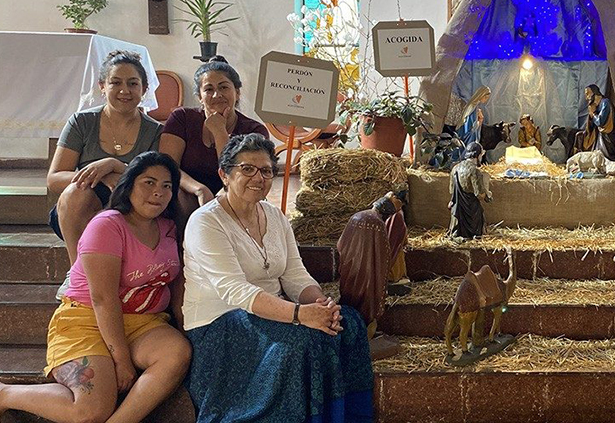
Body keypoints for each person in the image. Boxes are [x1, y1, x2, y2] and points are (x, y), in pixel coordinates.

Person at [0, 152, 191, 423]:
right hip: (86, 319)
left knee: (176, 353)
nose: (158, 192)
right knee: (91, 411)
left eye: (166, 186)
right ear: (130, 185)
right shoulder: (107, 225)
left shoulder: (169, 227)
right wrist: (122, 359)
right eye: (148, 182)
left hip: (143, 322)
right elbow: (102, 298)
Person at [182, 134, 373, 422]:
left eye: (267, 170)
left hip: (272, 314)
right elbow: (235, 291)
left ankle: (340, 417)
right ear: (225, 174)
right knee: (299, 343)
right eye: (247, 169)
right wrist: (300, 315)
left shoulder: (274, 215)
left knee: (348, 323)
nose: (258, 177)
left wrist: (320, 306)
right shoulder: (206, 221)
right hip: (220, 324)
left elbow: (295, 274)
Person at [48, 51, 163, 296]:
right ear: (102, 86)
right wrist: (99, 173)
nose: (125, 90)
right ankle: (78, 272)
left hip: (131, 204)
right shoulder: (82, 122)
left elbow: (156, 178)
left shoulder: (155, 131)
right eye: (115, 83)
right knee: (74, 194)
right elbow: (55, 178)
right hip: (82, 209)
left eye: (133, 83)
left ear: (143, 89)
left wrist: (116, 166)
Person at [159, 56, 268, 220]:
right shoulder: (182, 118)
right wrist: (199, 189)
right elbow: (168, 166)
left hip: (234, 195)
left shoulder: (254, 130)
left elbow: (235, 176)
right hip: (188, 192)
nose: (217, 95)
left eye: (224, 87)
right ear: (200, 97)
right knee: (175, 194)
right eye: (209, 89)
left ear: (237, 93)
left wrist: (219, 132)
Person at [338, 195, 392, 338]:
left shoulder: (357, 216)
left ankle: (351, 330)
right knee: (367, 302)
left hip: (350, 267)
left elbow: (341, 244)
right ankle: (363, 335)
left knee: (350, 296)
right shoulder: (378, 224)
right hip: (369, 273)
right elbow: (383, 252)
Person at [448, 142, 492, 240]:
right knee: (479, 217)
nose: (481, 158)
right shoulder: (475, 171)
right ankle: (474, 235)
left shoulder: (455, 168)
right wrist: (488, 195)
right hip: (471, 209)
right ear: (477, 155)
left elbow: (451, 190)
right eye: (481, 155)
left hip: (458, 208)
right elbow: (479, 194)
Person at [581, 84, 615, 165]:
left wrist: (593, 114)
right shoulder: (596, 105)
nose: (587, 98)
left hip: (608, 134)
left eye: (588, 94)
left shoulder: (605, 103)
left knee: (606, 156)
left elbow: (600, 122)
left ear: (594, 93)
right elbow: (593, 125)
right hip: (601, 134)